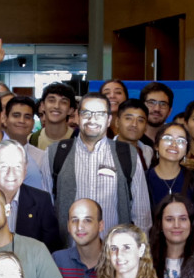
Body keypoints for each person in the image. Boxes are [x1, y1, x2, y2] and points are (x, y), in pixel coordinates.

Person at [45, 94, 150, 235]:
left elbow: (141, 213)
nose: (92, 119)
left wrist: (139, 245)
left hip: (114, 246)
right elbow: (45, 208)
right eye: (86, 113)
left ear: (109, 120)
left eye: (100, 114)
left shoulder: (127, 154)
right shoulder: (55, 153)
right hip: (68, 246)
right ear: (77, 117)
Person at [53, 199, 103, 278]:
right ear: (68, 226)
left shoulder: (116, 260)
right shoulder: (58, 260)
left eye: (88, 220)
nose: (80, 226)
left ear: (100, 225)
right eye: (74, 220)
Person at [147, 194, 194, 278]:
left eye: (183, 219)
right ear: (160, 224)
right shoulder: (146, 262)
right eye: (169, 219)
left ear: (191, 223)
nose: (176, 225)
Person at [143, 122, 194, 209]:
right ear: (156, 146)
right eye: (167, 139)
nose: (174, 145)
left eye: (181, 141)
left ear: (186, 150)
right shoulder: (143, 179)